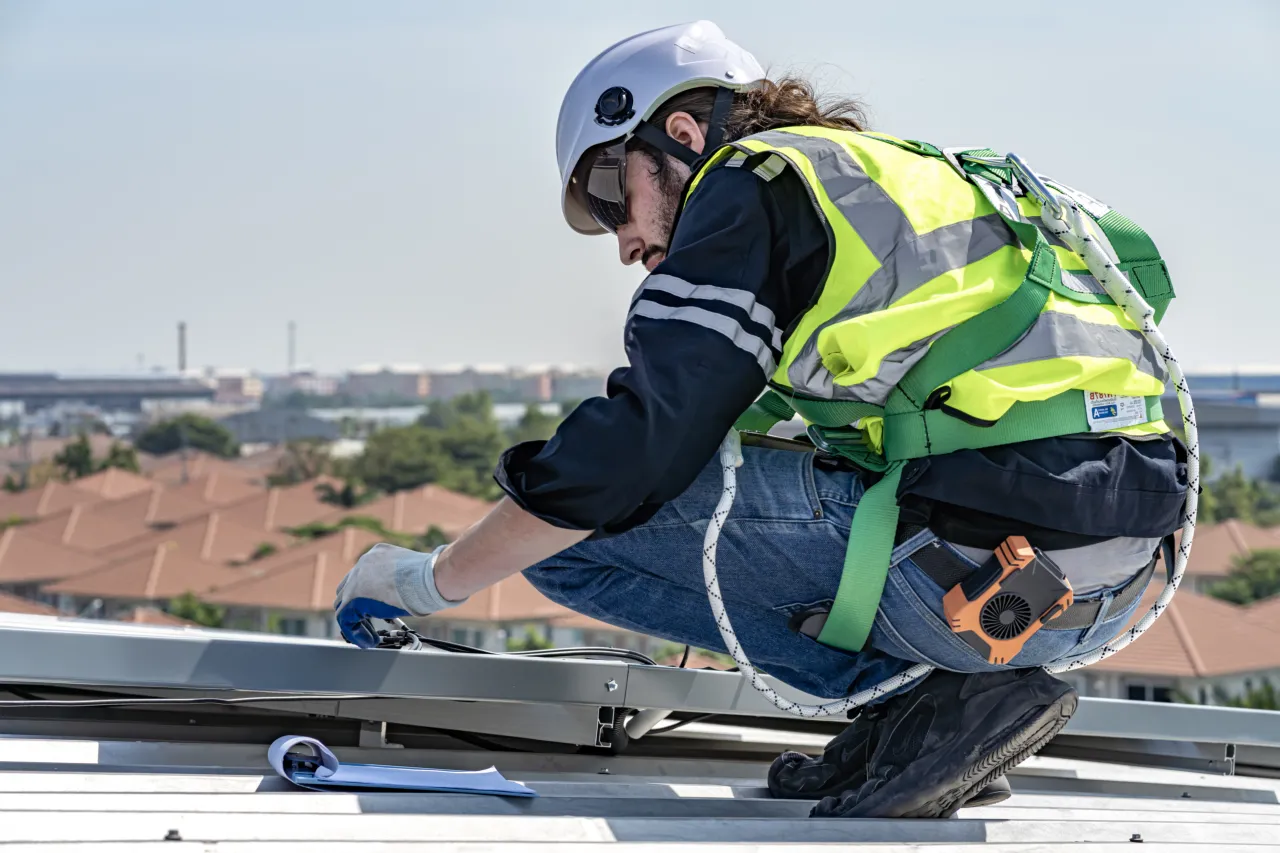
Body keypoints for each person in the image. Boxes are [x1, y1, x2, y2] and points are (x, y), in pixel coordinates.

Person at [334, 21, 1187, 818]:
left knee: (577, 537)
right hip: (1105, 586)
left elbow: (637, 447)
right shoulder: (891, 180)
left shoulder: (756, 183)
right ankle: (935, 714)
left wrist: (430, 579)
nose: (622, 242)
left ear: (681, 135)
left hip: (979, 568)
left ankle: (937, 701)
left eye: (607, 193)